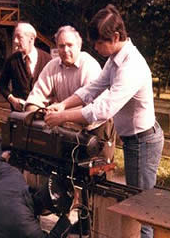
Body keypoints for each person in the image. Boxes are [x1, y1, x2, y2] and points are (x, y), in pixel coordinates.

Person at [44, 4, 164, 238]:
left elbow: (102, 108)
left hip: (142, 142)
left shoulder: (132, 66)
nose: (95, 48)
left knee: (142, 206)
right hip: (133, 140)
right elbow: (93, 88)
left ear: (116, 36)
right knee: (136, 200)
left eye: (99, 42)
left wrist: (61, 117)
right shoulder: (116, 58)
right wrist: (64, 104)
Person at [25, 25, 116, 165]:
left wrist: (60, 114)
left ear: (79, 46)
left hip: (96, 127)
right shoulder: (52, 66)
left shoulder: (89, 66)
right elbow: (35, 96)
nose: (65, 50)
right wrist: (37, 113)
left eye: (69, 45)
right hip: (67, 127)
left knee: (96, 174)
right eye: (61, 46)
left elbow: (92, 109)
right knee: (67, 171)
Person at [0, 22, 52, 111]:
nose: (15, 41)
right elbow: (1, 84)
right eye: (14, 37)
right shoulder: (12, 61)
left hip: (42, 114)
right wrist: (12, 100)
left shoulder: (47, 59)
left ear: (31, 39)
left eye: (19, 37)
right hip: (19, 115)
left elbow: (54, 87)